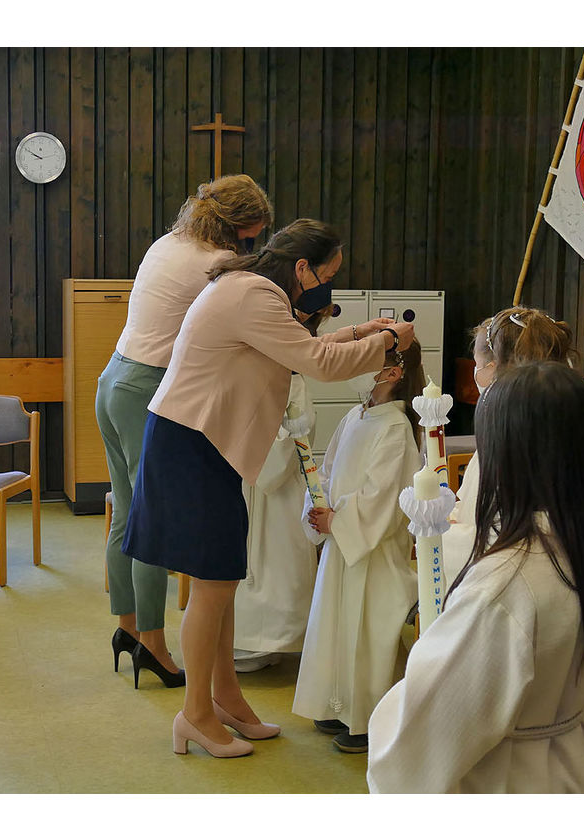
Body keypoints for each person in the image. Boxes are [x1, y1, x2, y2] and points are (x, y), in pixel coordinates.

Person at [123, 218, 416, 757]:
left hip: (203, 442)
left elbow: (298, 344)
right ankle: (194, 716)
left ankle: (227, 699)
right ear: (302, 268)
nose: (328, 286)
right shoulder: (254, 294)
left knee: (223, 577)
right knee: (211, 584)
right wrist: (389, 343)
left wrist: (359, 332)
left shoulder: (248, 288)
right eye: (328, 274)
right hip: (192, 443)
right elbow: (316, 362)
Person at [366, 361, 584, 793]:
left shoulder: (504, 586)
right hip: (579, 766)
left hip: (509, 780)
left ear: (505, 455)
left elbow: (424, 734)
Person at [96, 174, 274, 687]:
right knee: (152, 523)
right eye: (249, 236)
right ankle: (152, 642)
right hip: (145, 386)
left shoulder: (167, 243)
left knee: (126, 513)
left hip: (113, 377)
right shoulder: (212, 265)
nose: (251, 246)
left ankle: (128, 629)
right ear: (234, 227)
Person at [292, 341, 425, 753]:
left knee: (368, 634)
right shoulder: (356, 416)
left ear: (394, 372)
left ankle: (367, 718)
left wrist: (341, 519)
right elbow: (328, 467)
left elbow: (384, 496)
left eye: (369, 361)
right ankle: (337, 703)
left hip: (374, 553)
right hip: (342, 547)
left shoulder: (395, 428)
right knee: (335, 625)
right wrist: (320, 501)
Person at [443, 306, 576, 584]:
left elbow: (503, 542)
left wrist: (439, 536)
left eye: (477, 366)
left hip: (515, 578)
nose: (476, 375)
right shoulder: (555, 417)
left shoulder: (514, 445)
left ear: (492, 370)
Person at [231, 370, 320, 673]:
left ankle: (277, 640)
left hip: (277, 490)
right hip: (242, 484)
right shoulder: (241, 374)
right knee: (249, 563)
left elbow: (295, 441)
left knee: (280, 562)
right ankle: (245, 641)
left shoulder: (293, 382)